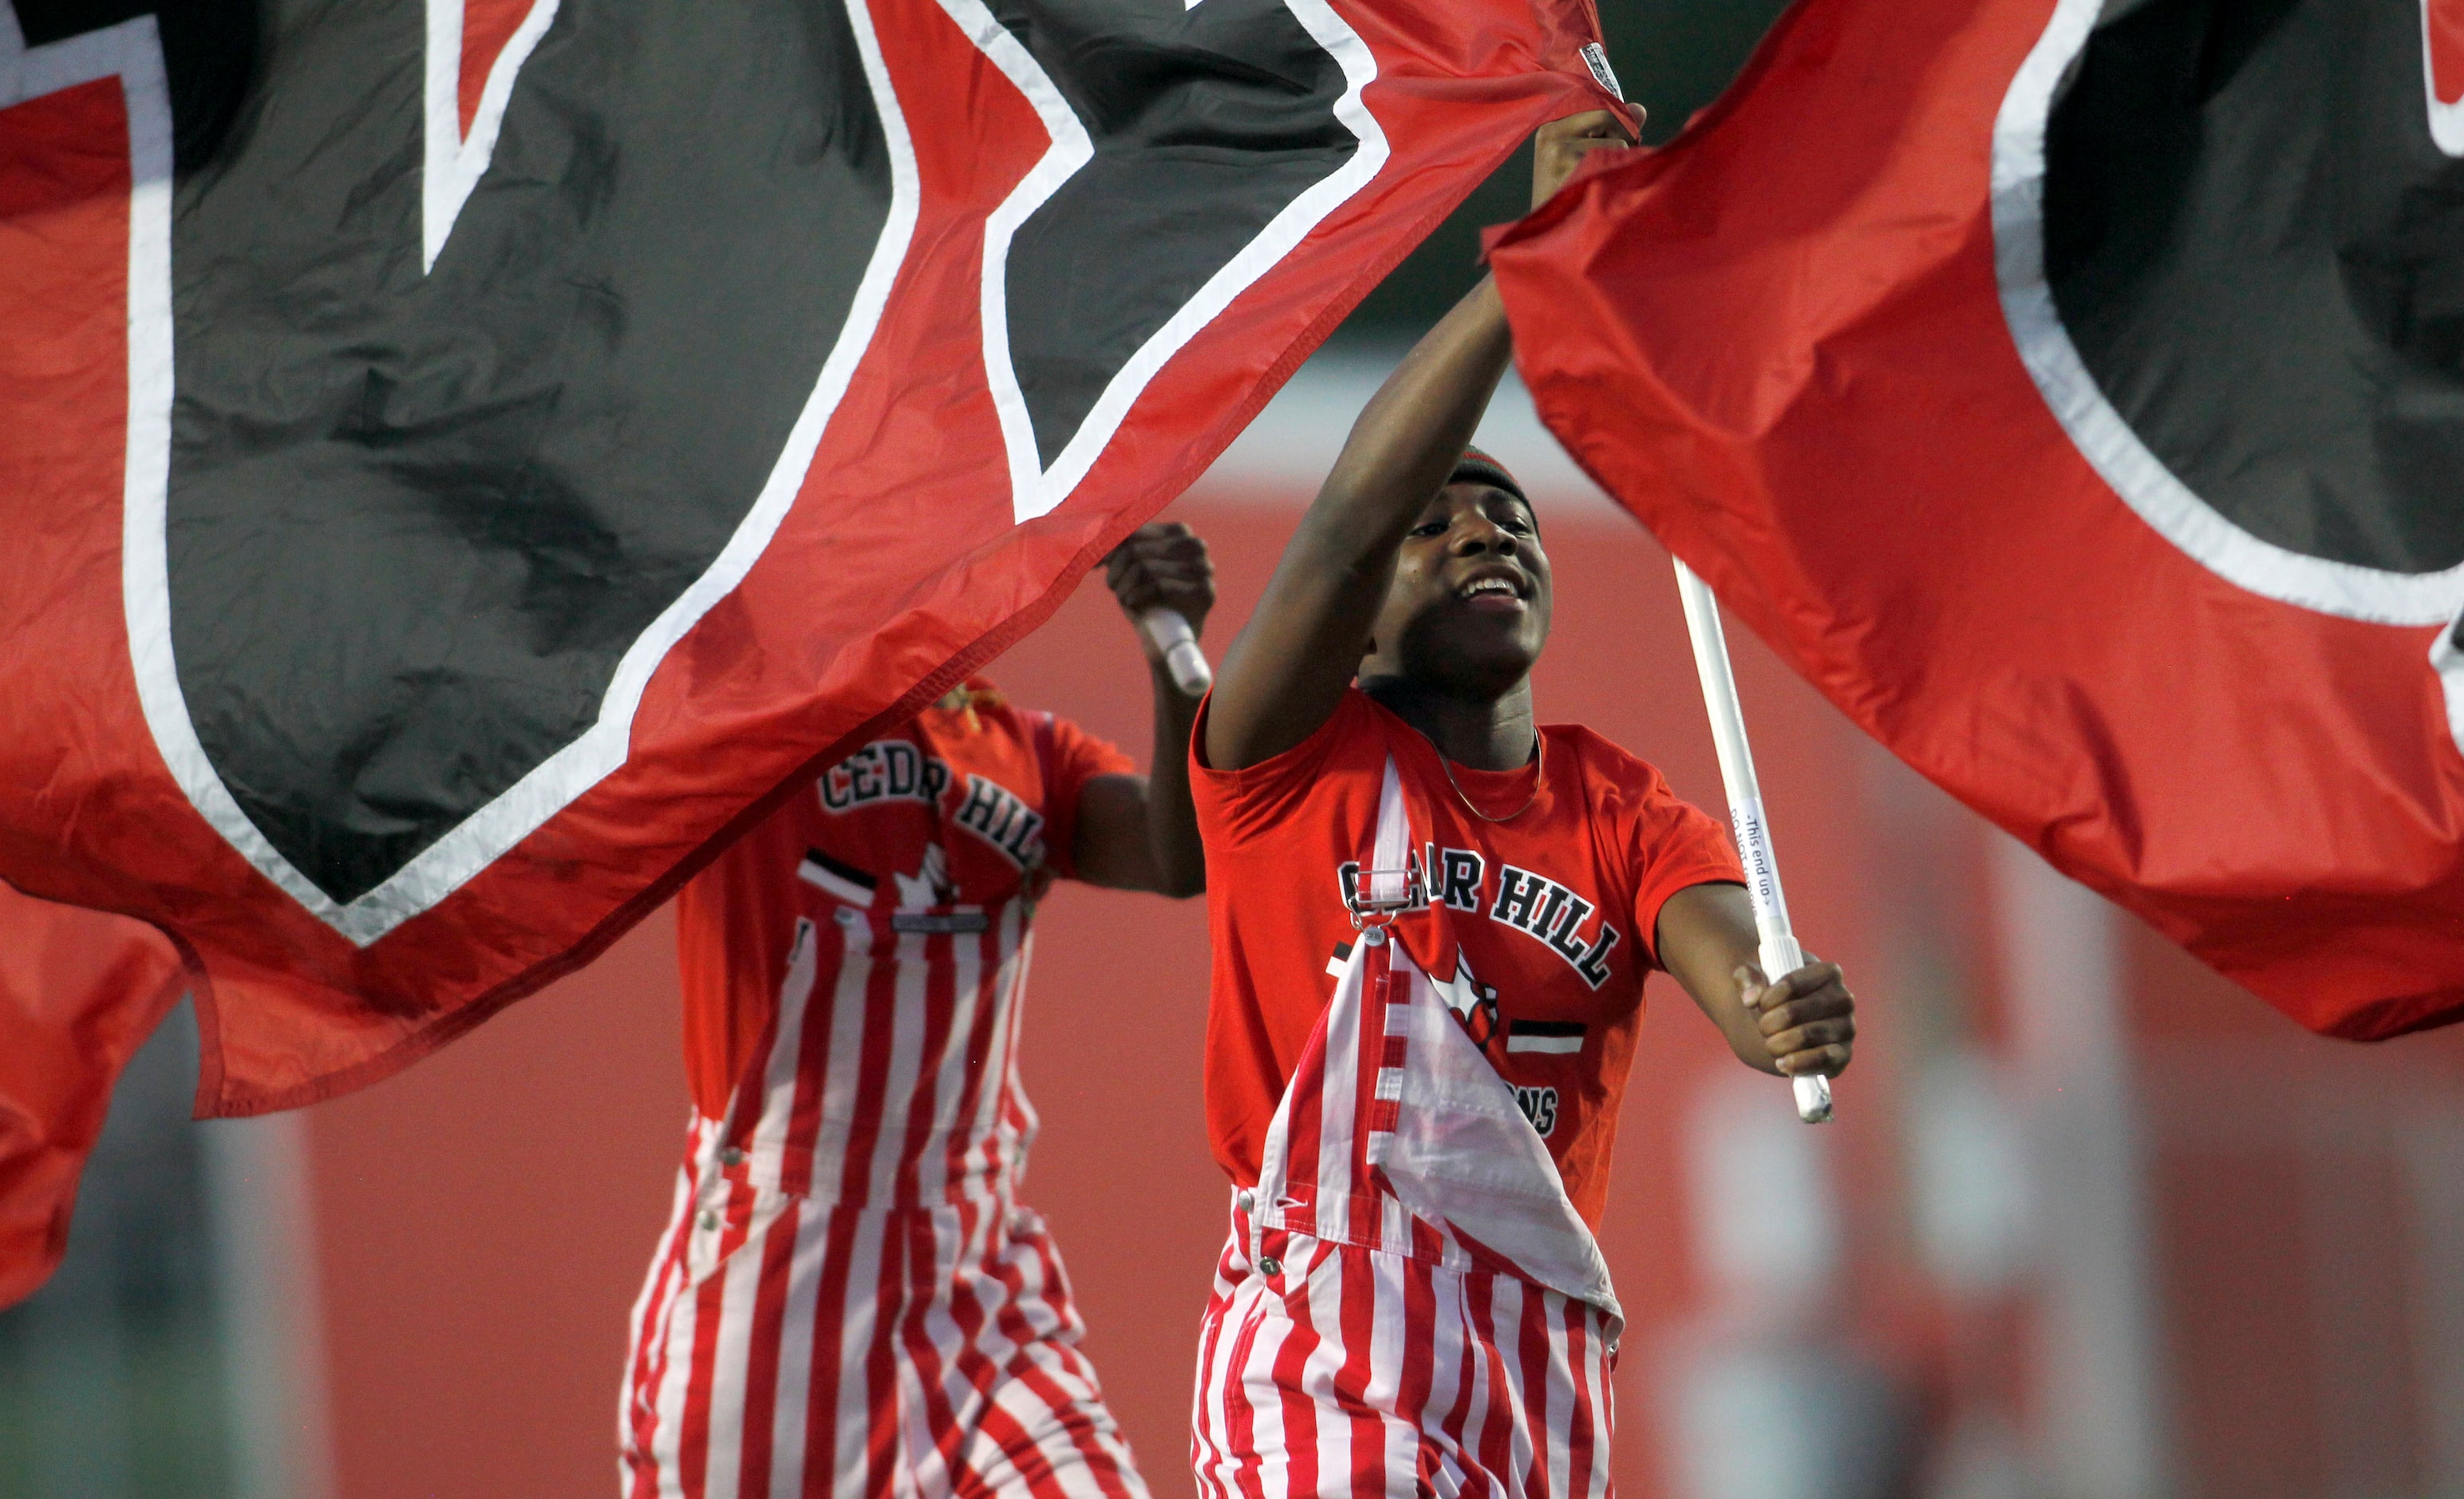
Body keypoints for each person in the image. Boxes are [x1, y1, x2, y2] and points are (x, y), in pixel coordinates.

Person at [1186, 109, 1858, 1499]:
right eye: (1437, 524)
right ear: (1356, 628)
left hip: (1538, 1382)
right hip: (1321, 1349)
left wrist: (1776, 1007)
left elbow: (1735, 968)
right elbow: (1342, 525)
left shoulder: (1619, 807)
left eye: (1508, 518)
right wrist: (1529, 271)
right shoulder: (1281, 760)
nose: (1482, 531)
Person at [622, 523, 1214, 1499]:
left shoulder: (1028, 748)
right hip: (775, 1275)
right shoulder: (749, 724)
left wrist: (1173, 651)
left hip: (976, 1271)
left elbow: (1177, 857)